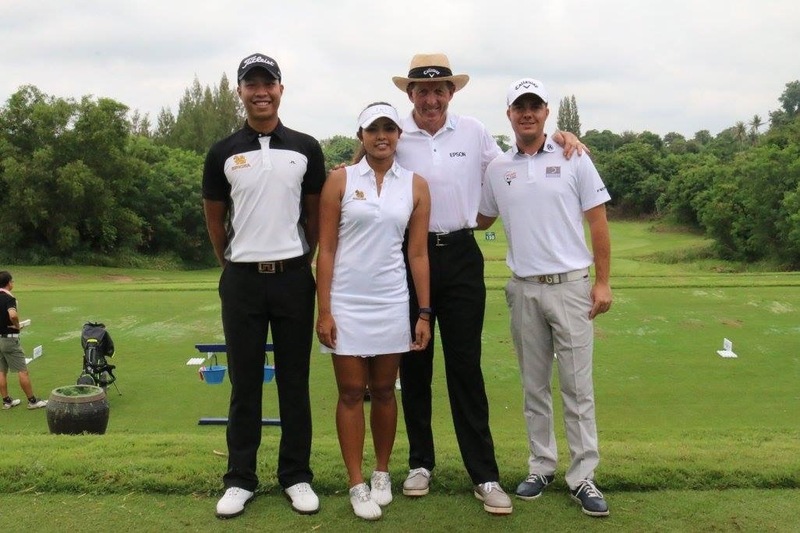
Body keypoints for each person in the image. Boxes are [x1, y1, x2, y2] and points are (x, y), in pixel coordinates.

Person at [390, 53, 583, 516]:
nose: (431, 99)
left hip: (460, 254)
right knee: (414, 365)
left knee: (465, 367)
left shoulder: (473, 132)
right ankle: (420, 463)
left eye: (439, 90)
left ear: (451, 93)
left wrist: (561, 137)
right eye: (422, 91)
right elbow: (364, 166)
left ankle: (483, 474)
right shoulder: (395, 133)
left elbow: (512, 167)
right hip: (408, 257)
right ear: (410, 94)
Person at [477, 78, 612, 518]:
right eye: (520, 107)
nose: (527, 113)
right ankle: (541, 466)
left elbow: (598, 221)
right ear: (509, 114)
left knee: (577, 387)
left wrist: (603, 282)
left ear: (546, 112)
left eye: (534, 106)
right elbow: (480, 217)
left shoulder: (574, 156)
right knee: (533, 385)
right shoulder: (498, 168)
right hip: (523, 288)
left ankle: (583, 475)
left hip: (571, 286)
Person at [202, 53, 326, 519]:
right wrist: (235, 264)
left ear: (280, 89)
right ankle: (240, 478)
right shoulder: (222, 152)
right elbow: (216, 222)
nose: (260, 92)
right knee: (244, 382)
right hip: (242, 282)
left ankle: (296, 475)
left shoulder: (306, 148)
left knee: (294, 381)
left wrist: (298, 261)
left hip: (293, 278)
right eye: (251, 84)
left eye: (267, 83)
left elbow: (314, 218)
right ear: (240, 91)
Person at [316, 102, 432, 520]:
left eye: (389, 128)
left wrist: (424, 312)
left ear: (399, 135)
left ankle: (381, 472)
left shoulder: (416, 185)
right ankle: (356, 482)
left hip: (391, 299)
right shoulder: (340, 180)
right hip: (347, 300)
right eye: (373, 129)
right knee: (350, 391)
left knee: (383, 390)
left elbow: (417, 254)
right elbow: (327, 250)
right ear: (361, 136)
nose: (381, 136)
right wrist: (324, 310)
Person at [0, 271, 48, 410]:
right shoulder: (8, 298)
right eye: (12, 281)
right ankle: (32, 401)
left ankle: (6, 401)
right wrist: (16, 326)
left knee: (1, 371)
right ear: (9, 283)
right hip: (9, 340)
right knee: (22, 371)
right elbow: (13, 315)